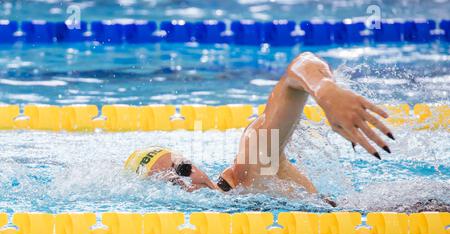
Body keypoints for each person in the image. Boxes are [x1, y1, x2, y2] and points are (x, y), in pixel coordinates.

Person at [124, 52, 394, 202]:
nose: (186, 182)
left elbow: (302, 66)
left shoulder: (250, 170)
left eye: (183, 169)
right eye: (171, 184)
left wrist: (326, 91)